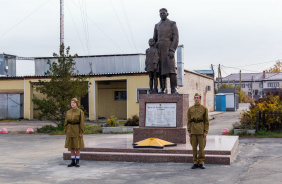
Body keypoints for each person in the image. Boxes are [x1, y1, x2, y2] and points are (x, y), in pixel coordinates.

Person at [153, 8, 179, 94]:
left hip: (168, 49)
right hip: (159, 50)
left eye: (164, 13)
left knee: (171, 70)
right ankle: (163, 88)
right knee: (161, 71)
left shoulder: (172, 24)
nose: (162, 14)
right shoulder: (157, 25)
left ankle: (174, 88)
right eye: (160, 13)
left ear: (167, 14)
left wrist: (172, 49)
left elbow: (176, 38)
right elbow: (154, 39)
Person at [187, 93, 209, 169]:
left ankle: (201, 162)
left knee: (202, 147)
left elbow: (206, 121)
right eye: (195, 97)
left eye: (198, 98)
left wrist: (205, 131)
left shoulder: (204, 108)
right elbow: (189, 121)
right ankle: (195, 162)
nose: (196, 99)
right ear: (194, 99)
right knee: (194, 147)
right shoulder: (190, 109)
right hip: (193, 130)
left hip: (201, 129)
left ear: (200, 99)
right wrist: (189, 131)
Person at [64, 98, 85, 167]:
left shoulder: (80, 112)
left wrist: (81, 132)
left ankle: (77, 161)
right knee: (71, 146)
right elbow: (66, 122)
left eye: (73, 102)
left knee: (77, 147)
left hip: (76, 130)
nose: (72, 104)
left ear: (76, 104)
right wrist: (66, 130)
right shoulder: (68, 112)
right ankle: (72, 161)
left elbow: (82, 122)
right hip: (70, 130)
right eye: (71, 102)